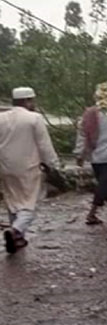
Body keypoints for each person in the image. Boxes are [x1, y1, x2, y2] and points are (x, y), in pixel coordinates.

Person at [0, 87, 60, 253]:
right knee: (28, 203)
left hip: (5, 167)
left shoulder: (1, 118)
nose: (33, 104)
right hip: (28, 167)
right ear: (27, 101)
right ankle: (16, 230)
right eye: (32, 100)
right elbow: (44, 145)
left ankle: (18, 239)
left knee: (13, 201)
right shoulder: (34, 118)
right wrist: (52, 164)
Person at [74, 104, 107, 224]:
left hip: (95, 156)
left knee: (105, 183)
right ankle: (92, 213)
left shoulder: (89, 114)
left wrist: (79, 154)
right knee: (105, 184)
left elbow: (82, 135)